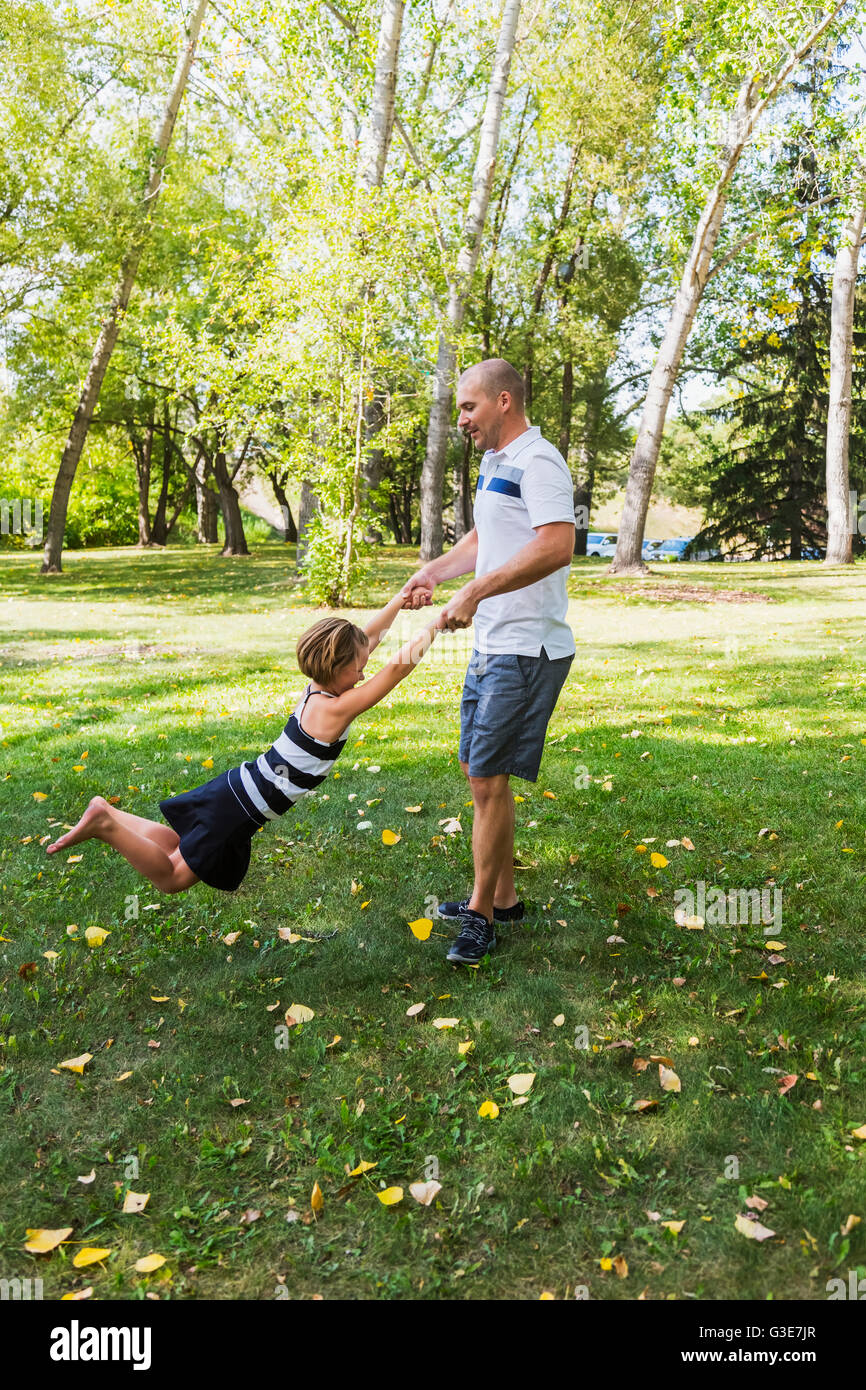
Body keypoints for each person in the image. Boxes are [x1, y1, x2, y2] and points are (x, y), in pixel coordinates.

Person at [46, 592, 441, 894]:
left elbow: (364, 640)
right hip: (241, 805)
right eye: (358, 669)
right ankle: (103, 823)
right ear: (337, 667)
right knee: (172, 879)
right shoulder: (334, 711)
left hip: (237, 790)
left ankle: (107, 814)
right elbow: (396, 669)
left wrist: (400, 602)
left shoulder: (319, 690)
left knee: (176, 845)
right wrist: (436, 624)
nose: (363, 672)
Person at [403, 357, 576, 965]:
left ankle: (479, 916)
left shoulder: (540, 460)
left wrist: (474, 593)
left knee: (487, 777)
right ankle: (502, 897)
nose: (463, 420)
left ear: (504, 401)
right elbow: (484, 537)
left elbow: (558, 544)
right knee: (477, 770)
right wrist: (438, 571)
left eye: (470, 407)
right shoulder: (494, 463)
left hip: (528, 647)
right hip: (494, 644)